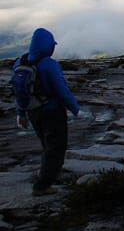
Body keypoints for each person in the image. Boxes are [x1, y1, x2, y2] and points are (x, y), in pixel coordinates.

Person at [12, 28, 80, 196]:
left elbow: (18, 90)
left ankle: (49, 173)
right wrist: (76, 110)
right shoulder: (49, 64)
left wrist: (20, 113)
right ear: (49, 45)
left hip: (33, 111)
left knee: (47, 145)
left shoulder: (20, 62)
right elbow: (62, 91)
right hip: (52, 111)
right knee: (56, 147)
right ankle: (43, 185)